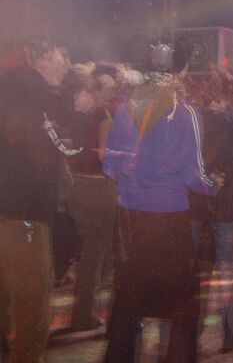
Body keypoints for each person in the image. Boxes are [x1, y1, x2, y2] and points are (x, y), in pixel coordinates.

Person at [102, 39, 222, 363]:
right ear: (182, 70)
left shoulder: (128, 107)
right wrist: (215, 185)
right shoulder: (185, 112)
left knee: (129, 301)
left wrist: (136, 175)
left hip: (132, 218)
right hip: (169, 217)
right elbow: (194, 175)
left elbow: (109, 164)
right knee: (183, 305)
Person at [0, 39, 73, 362]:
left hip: (11, 213)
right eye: (60, 57)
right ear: (40, 59)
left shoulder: (12, 87)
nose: (67, 65)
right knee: (32, 307)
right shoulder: (32, 92)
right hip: (24, 217)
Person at [187, 74, 233, 354]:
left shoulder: (192, 118)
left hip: (194, 199)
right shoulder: (228, 120)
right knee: (226, 269)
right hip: (221, 201)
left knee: (192, 269)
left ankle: (188, 334)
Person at [62, 64, 120, 333]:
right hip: (98, 187)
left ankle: (82, 317)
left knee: (90, 252)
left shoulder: (75, 116)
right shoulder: (103, 118)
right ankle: (117, 322)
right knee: (111, 254)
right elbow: (104, 155)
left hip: (76, 187)